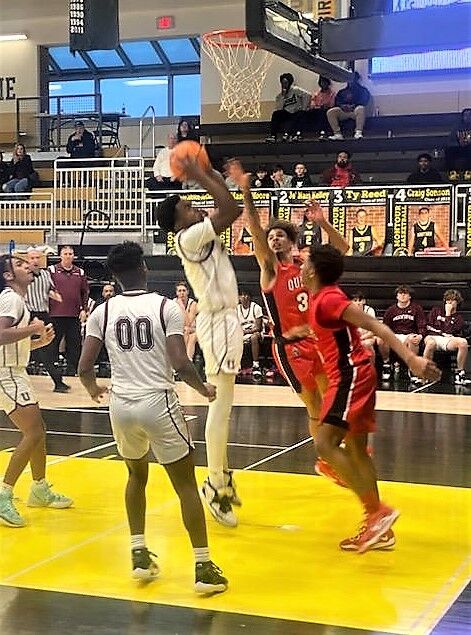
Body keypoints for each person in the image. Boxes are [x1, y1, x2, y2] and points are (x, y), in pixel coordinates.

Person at [78, 242, 227, 593]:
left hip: (121, 405)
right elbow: (180, 362)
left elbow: (84, 366)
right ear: (144, 268)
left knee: (135, 475)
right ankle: (203, 567)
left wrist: (92, 389)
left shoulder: (102, 310)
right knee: (186, 485)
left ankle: (139, 553)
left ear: (115, 276)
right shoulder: (165, 306)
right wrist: (203, 389)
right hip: (157, 401)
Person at [300, 244, 440, 552]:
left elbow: (376, 325)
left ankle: (377, 512)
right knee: (357, 450)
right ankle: (380, 528)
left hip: (350, 375)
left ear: (313, 271)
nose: (301, 264)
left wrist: (411, 359)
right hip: (353, 374)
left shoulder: (329, 298)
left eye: (305, 261)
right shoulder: (320, 297)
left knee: (325, 444)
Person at [227, 160, 349, 487]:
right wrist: (247, 193)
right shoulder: (270, 269)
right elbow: (255, 230)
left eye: (280, 235)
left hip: (317, 341)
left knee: (333, 399)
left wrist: (323, 222)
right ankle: (327, 459)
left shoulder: (306, 264)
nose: (275, 240)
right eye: (272, 237)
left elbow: (342, 248)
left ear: (291, 240)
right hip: (290, 348)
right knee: (314, 405)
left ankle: (333, 452)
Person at [156, 159, 244, 528]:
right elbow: (232, 209)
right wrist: (201, 175)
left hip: (228, 320)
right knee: (220, 407)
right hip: (217, 321)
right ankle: (214, 484)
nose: (195, 208)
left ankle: (222, 475)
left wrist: (209, 175)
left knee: (225, 406)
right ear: (178, 222)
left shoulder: (196, 231)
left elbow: (227, 206)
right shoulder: (188, 237)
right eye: (187, 207)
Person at [0, 253, 73, 528]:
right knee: (33, 433)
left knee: (38, 431)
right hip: (6, 374)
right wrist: (32, 328)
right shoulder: (11, 299)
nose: (28, 266)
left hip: (16, 371)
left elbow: (12, 344)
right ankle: (4, 494)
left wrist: (37, 342)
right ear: (8, 276)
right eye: (19, 265)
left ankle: (39, 488)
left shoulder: (18, 300)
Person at [25, 247, 70, 393]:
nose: (35, 260)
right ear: (27, 260)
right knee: (26, 348)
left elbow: (49, 289)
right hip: (29, 314)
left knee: (48, 348)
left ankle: (58, 382)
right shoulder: (23, 275)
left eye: (37, 257)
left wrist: (55, 296)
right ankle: (57, 382)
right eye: (32, 258)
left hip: (43, 314)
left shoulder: (45, 274)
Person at [48, 245, 89, 376]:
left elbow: (85, 292)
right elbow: (46, 289)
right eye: (65, 254)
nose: (68, 256)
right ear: (60, 256)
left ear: (73, 256)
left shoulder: (80, 272)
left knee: (74, 343)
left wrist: (84, 309)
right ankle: (51, 369)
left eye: (70, 254)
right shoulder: (52, 270)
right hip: (55, 313)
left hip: (74, 314)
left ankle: (73, 370)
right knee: (53, 342)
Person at [378, 286, 426, 383]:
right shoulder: (391, 310)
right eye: (400, 293)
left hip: (409, 334)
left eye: (405, 293)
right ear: (397, 296)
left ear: (410, 296)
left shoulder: (416, 308)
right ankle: (386, 364)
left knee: (413, 339)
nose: (403, 295)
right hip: (395, 335)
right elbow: (385, 327)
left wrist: (420, 336)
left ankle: (413, 368)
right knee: (381, 339)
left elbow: (422, 325)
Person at [424, 289, 470, 385]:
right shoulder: (436, 310)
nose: (449, 302)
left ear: (457, 302)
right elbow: (428, 327)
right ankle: (424, 373)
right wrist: (442, 332)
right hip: (432, 336)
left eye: (452, 300)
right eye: (448, 300)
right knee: (430, 343)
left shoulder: (459, 319)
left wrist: (448, 314)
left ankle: (459, 373)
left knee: (463, 343)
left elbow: (449, 331)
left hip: (447, 340)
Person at [266, 73, 310, 143]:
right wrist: (283, 97)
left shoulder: (295, 90)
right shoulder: (280, 96)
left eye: (286, 83)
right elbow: (279, 108)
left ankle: (297, 135)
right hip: (287, 112)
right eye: (282, 83)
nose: (284, 85)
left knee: (301, 114)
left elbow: (307, 95)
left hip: (297, 111)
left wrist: (303, 108)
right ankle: (273, 136)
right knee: (276, 114)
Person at [327, 71, 370, 140]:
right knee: (331, 112)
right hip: (344, 111)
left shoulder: (363, 90)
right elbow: (337, 102)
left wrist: (353, 106)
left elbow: (364, 101)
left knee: (361, 108)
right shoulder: (342, 91)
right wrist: (343, 106)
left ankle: (358, 132)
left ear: (356, 79)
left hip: (355, 111)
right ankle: (337, 134)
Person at [237, 289, 263, 379]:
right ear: (239, 298)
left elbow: (258, 328)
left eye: (246, 295)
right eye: (242, 295)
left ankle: (256, 365)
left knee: (254, 337)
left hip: (255, 333)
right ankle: (237, 365)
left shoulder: (256, 308)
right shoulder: (236, 309)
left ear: (250, 297)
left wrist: (245, 332)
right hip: (241, 333)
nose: (244, 297)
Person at [174, 281, 198, 361]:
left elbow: (188, 323)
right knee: (187, 333)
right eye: (179, 291)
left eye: (184, 291)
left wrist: (181, 306)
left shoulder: (193, 304)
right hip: (179, 329)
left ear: (187, 292)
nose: (182, 293)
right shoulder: (173, 303)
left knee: (189, 332)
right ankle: (186, 360)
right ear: (176, 293)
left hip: (193, 329)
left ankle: (185, 359)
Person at [445, 108, 471, 176]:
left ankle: (468, 173)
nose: (468, 117)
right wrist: (459, 144)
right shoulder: (457, 127)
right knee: (449, 150)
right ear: (462, 117)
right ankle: (453, 173)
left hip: (469, 148)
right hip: (459, 147)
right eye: (466, 115)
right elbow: (450, 141)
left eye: (470, 115)